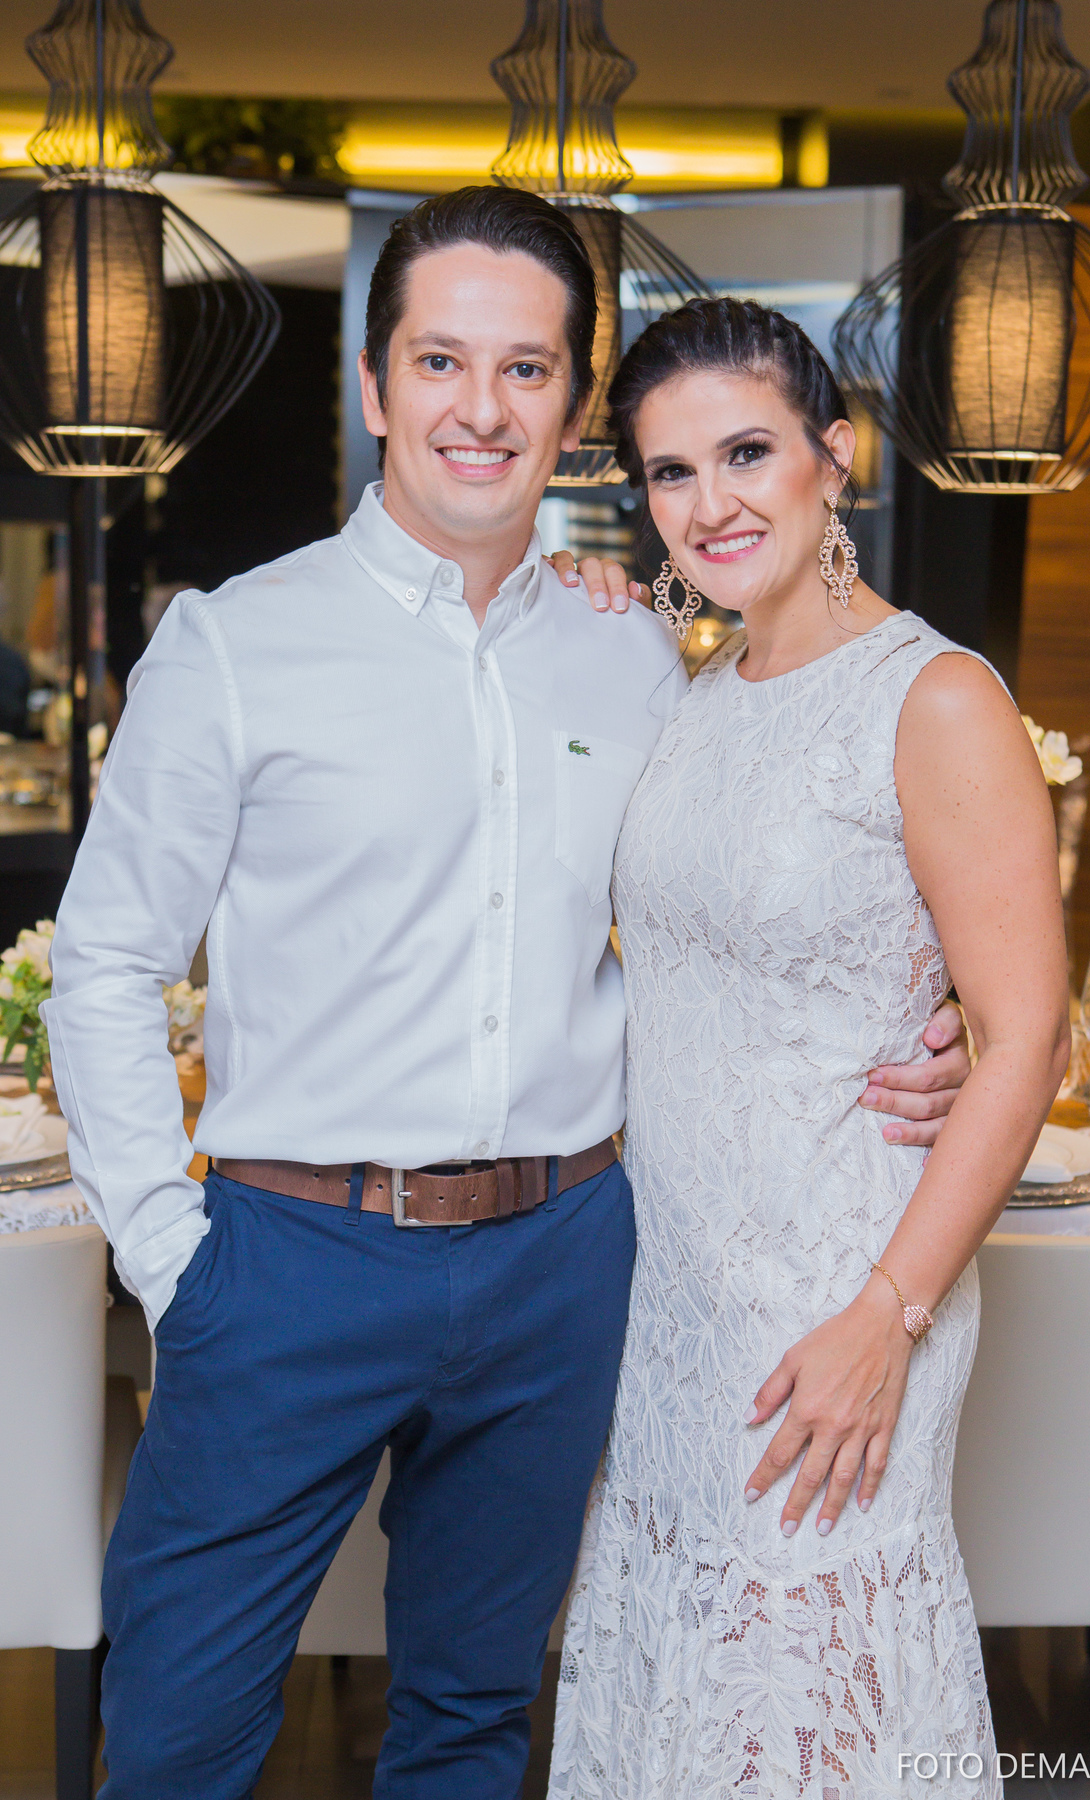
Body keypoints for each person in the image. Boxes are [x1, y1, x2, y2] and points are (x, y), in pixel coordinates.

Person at [44, 193, 969, 1799]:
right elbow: (108, 962)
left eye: (527, 367)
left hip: (561, 1263)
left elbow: (748, 885)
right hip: (288, 1260)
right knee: (179, 1741)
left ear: (571, 406)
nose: (482, 406)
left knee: (473, 1725)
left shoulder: (640, 653)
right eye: (442, 361)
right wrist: (171, 1262)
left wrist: (929, 1006)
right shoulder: (235, 645)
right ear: (374, 383)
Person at [548, 298, 1071, 1800]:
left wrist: (887, 1318)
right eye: (669, 472)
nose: (709, 504)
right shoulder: (691, 690)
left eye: (747, 454)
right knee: (681, 1686)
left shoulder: (935, 696)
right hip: (673, 1298)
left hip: (840, 1295)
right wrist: (579, 596)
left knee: (809, 1703)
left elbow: (1026, 1032)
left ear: (834, 458)